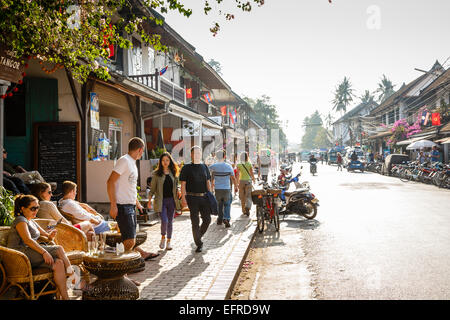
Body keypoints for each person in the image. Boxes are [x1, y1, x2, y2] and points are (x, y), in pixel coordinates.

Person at [7, 195, 73, 300]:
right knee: (59, 249)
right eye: (33, 208)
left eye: (37, 207)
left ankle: (65, 297)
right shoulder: (20, 220)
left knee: (58, 263)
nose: (36, 210)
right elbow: (27, 240)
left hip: (30, 253)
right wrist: (44, 252)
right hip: (19, 256)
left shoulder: (31, 221)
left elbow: (45, 235)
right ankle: (71, 273)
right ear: (22, 208)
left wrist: (50, 236)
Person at [106, 137, 159, 264]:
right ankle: (116, 263)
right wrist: (113, 205)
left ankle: (130, 262)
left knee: (130, 239)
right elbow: (110, 182)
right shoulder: (124, 161)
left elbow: (129, 186)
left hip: (130, 205)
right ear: (140, 150)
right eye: (143, 151)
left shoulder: (132, 162)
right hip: (122, 206)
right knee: (129, 240)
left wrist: (137, 203)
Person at [179, 146, 212, 253]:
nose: (197, 155)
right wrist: (183, 198)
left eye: (199, 153)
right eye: (195, 153)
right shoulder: (186, 168)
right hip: (192, 197)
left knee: (207, 220)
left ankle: (198, 236)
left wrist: (211, 196)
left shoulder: (204, 167)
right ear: (191, 155)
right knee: (195, 221)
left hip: (204, 197)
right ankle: (199, 243)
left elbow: (208, 182)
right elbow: (183, 184)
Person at [147, 152, 181, 251]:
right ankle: (163, 237)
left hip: (172, 201)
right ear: (160, 162)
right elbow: (152, 189)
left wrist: (178, 190)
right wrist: (149, 201)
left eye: (167, 160)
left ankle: (169, 242)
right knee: (164, 221)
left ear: (170, 161)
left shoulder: (173, 172)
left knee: (170, 221)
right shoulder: (156, 174)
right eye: (163, 160)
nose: (165, 162)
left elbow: (176, 185)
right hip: (160, 201)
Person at [209, 149, 238, 228]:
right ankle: (226, 218)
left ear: (216, 157)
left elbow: (208, 173)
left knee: (219, 204)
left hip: (217, 188)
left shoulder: (214, 166)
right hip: (226, 189)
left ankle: (220, 218)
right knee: (227, 204)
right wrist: (236, 186)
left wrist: (211, 186)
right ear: (225, 156)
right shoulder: (228, 166)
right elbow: (233, 178)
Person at [236, 152, 256, 216]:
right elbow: (251, 173)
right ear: (247, 157)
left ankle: (244, 210)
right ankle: (248, 207)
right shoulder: (249, 164)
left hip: (241, 181)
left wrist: (237, 183)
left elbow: (237, 174)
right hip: (248, 181)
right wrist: (254, 179)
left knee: (242, 197)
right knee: (249, 196)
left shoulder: (239, 164)